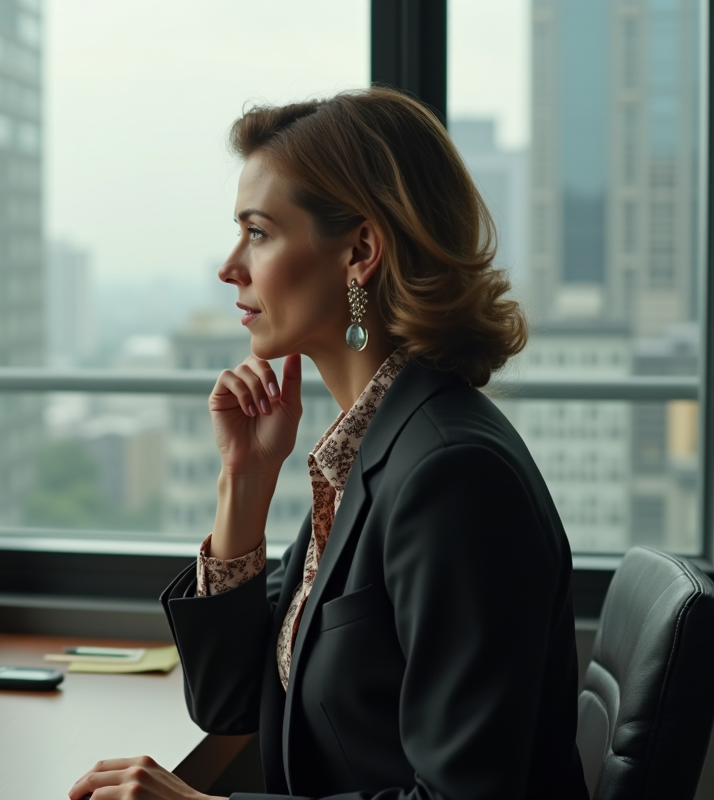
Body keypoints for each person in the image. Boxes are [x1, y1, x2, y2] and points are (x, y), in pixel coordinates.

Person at [68, 88, 590, 800]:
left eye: (257, 232)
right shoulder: (369, 448)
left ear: (360, 252)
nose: (230, 266)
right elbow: (230, 702)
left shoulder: (451, 476)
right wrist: (243, 483)